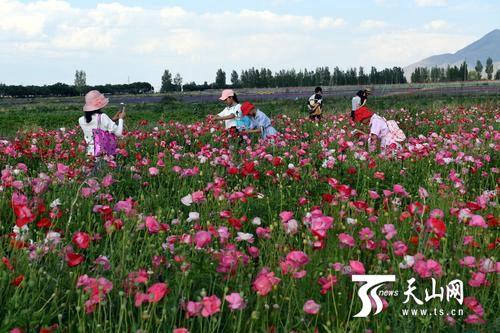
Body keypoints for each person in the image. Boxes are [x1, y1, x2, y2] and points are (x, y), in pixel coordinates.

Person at [79, 90, 125, 157]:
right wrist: (121, 118)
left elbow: (95, 126)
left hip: (90, 155)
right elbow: (119, 133)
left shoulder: (81, 120)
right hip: (103, 154)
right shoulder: (103, 117)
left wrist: (112, 120)